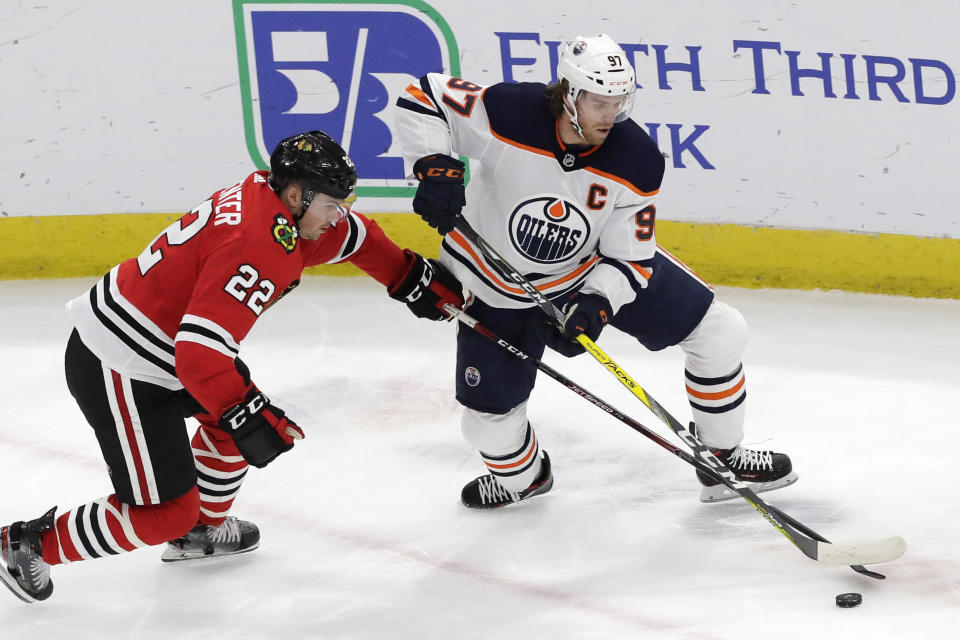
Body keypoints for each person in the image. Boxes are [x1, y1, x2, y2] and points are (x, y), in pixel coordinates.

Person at [0, 130, 464, 603]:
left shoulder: (273, 206)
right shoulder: (258, 245)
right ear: (295, 195)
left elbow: (355, 236)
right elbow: (199, 355)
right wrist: (248, 413)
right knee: (165, 510)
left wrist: (406, 276)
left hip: (163, 352)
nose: (337, 216)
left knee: (232, 425)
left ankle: (200, 532)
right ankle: (26, 544)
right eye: (331, 204)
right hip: (121, 365)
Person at [394, 34, 797, 509]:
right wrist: (434, 166)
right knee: (485, 422)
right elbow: (423, 95)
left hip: (584, 271)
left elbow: (629, 257)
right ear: (569, 94)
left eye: (619, 101)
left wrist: (596, 306)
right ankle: (524, 478)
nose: (611, 114)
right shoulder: (510, 112)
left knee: (721, 330)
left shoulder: (637, 158)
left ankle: (722, 457)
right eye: (599, 102)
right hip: (491, 282)